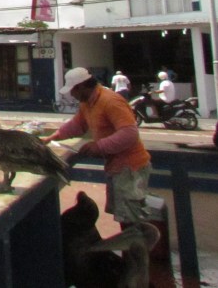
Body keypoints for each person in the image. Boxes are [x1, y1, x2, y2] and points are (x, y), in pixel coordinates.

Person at [43, 67, 152, 226]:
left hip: (130, 168)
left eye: (73, 90)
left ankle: (138, 242)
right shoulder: (88, 103)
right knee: (124, 216)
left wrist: (99, 146)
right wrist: (53, 137)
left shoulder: (110, 101)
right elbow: (77, 125)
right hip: (116, 166)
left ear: (81, 87)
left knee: (131, 221)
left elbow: (129, 134)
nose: (72, 95)